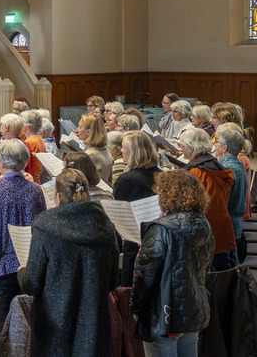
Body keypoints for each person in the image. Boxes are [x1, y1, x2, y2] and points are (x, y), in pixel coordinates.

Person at [17, 168, 120, 355]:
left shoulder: (45, 224)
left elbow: (32, 282)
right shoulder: (105, 225)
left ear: (58, 196)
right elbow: (113, 281)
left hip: (55, 323)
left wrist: (22, 272)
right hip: (93, 324)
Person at [131, 170, 214, 356]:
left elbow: (145, 275)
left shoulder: (161, 228)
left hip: (164, 312)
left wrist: (136, 308)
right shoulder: (203, 223)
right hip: (193, 308)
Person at [0, 138, 47, 327]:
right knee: (26, 320)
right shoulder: (35, 190)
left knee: (2, 320)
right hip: (27, 262)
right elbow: (41, 226)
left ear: (2, 161)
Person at [180, 127, 237, 270]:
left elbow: (189, 206)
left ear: (191, 148)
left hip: (207, 237)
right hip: (222, 230)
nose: (180, 148)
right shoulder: (214, 164)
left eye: (182, 145)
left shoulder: (196, 172)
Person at [113, 130, 163, 286]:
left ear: (133, 151)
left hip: (134, 243)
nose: (121, 151)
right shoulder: (162, 175)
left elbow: (119, 216)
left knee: (131, 290)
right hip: (159, 240)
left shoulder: (126, 179)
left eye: (123, 147)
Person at [214, 127, 248, 258]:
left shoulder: (227, 168)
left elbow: (221, 201)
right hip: (233, 224)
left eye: (216, 142)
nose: (214, 145)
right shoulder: (235, 164)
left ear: (225, 148)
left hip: (227, 228)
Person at [76, 114, 113, 184]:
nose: (77, 129)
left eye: (80, 127)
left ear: (88, 132)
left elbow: (82, 183)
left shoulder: (89, 155)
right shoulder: (105, 150)